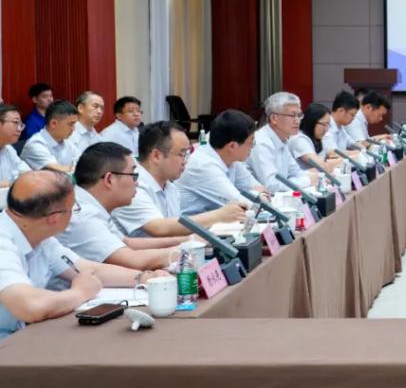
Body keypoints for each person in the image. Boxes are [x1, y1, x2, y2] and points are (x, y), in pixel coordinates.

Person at [0, 171, 165, 341]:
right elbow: (30, 306)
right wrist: (80, 292)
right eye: (73, 208)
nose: (75, 213)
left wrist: (144, 278)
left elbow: (87, 269)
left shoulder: (39, 235)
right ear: (54, 218)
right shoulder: (3, 243)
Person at [58, 143, 181, 270]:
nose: (137, 183)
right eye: (133, 175)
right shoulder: (83, 215)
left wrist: (185, 240)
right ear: (109, 179)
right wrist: (187, 248)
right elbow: (135, 260)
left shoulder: (92, 204)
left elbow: (127, 243)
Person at [111, 121, 246, 238]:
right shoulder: (131, 184)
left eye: (188, 154)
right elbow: (160, 228)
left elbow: (176, 230)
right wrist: (218, 216)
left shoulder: (170, 187)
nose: (186, 161)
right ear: (156, 156)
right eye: (182, 154)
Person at [178, 110, 266, 216]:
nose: (252, 147)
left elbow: (259, 189)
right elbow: (242, 206)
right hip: (191, 225)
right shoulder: (203, 166)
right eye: (251, 142)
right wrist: (258, 196)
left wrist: (260, 196)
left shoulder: (231, 159)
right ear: (232, 146)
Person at [248, 92, 317, 193]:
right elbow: (272, 186)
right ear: (274, 118)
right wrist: (308, 180)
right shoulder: (261, 142)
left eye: (299, 115)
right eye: (292, 115)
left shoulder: (283, 139)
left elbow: (296, 172)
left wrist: (317, 177)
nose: (297, 120)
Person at [19, 100, 78, 172]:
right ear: (53, 123)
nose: (74, 129)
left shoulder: (67, 141)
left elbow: (82, 163)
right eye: (71, 124)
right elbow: (60, 171)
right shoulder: (36, 144)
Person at [289, 103, 345, 174]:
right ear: (312, 122)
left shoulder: (317, 138)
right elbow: (323, 167)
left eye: (328, 125)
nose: (326, 129)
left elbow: (333, 153)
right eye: (323, 124)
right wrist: (346, 160)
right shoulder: (299, 140)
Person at [68, 91, 105, 160]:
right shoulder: (69, 133)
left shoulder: (98, 137)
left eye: (102, 108)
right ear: (80, 108)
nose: (99, 111)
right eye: (95, 106)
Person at [0, 105, 30, 189]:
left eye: (21, 125)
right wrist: (12, 183)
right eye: (16, 122)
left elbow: (27, 173)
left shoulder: (8, 149)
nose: (20, 129)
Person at [323, 91, 361, 156]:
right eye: (352, 115)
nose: (353, 118)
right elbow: (334, 153)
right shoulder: (326, 126)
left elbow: (352, 143)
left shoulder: (341, 127)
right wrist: (359, 152)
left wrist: (362, 149)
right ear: (341, 111)